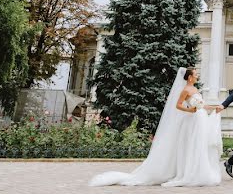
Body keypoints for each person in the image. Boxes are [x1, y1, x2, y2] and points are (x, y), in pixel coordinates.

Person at [89, 67, 223, 187]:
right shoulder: (185, 90)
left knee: (199, 145)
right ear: (189, 77)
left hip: (200, 119)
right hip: (192, 120)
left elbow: (202, 105)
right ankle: (188, 173)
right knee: (192, 146)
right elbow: (178, 105)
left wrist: (214, 107)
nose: (197, 76)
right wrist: (189, 110)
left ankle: (198, 171)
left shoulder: (195, 89)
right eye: (195, 74)